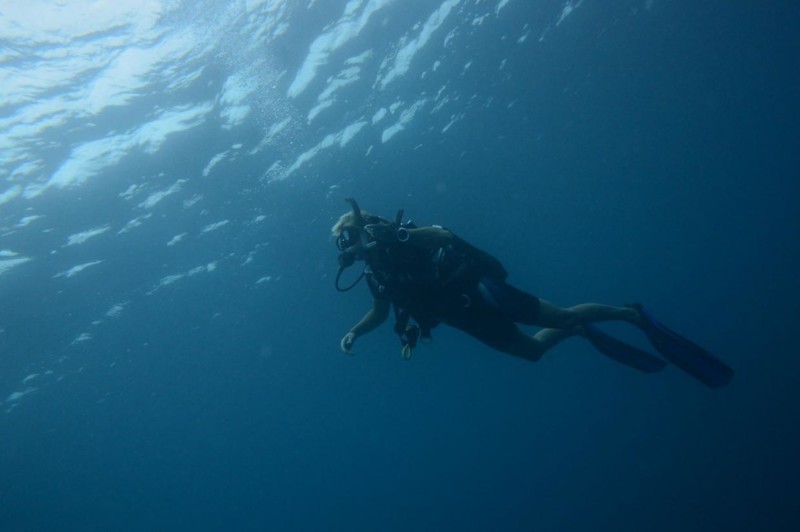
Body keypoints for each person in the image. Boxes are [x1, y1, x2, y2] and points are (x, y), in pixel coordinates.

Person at [332, 198, 733, 388]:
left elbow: (443, 235)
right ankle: (578, 327)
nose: (347, 246)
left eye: (348, 235)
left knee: (560, 317)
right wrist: (354, 331)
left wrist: (398, 234)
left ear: (364, 226)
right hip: (463, 318)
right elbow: (380, 314)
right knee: (533, 352)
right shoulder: (376, 277)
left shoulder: (402, 239)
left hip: (478, 292)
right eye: (341, 243)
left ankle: (628, 314)